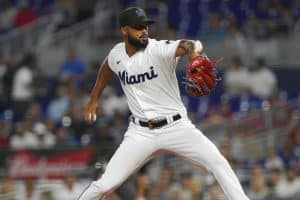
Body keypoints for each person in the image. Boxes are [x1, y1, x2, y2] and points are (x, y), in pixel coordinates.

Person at [78, 7, 249, 200]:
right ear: (125, 30)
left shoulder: (158, 49)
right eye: (138, 27)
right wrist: (94, 98)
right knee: (104, 185)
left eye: (145, 26)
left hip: (176, 127)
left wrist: (194, 55)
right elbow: (107, 67)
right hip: (140, 133)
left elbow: (192, 44)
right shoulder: (117, 54)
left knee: (218, 163)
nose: (144, 31)